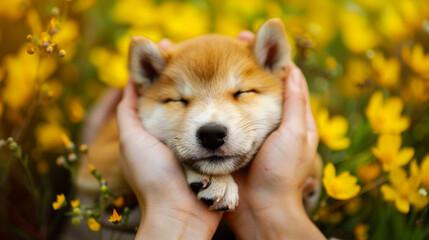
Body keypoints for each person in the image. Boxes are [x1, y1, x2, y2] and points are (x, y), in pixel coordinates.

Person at [114, 31, 327, 240]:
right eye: (180, 100)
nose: (211, 123)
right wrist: (179, 170)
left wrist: (280, 194)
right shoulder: (121, 138)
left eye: (241, 93)